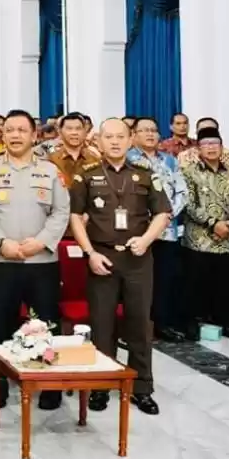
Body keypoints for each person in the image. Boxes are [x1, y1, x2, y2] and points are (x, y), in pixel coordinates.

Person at [69, 118, 171, 416]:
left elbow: (163, 213)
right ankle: (101, 384)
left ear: (131, 140)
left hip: (138, 259)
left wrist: (147, 239)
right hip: (101, 257)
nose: (114, 142)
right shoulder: (85, 176)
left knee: (139, 324)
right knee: (102, 325)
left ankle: (142, 387)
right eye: (108, 137)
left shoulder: (146, 175)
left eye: (120, 137)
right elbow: (75, 216)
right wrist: (89, 253)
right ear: (98, 141)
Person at [0, 110, 70, 410]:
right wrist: (2, 243)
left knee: (44, 324)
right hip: (2, 262)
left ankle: (47, 383)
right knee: (0, 323)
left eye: (21, 130)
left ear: (34, 135)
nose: (15, 135)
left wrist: (41, 242)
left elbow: (61, 212)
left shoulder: (51, 172)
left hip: (42, 263)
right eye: (10, 130)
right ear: (2, 134)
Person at [180, 126, 229, 341]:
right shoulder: (189, 171)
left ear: (221, 147)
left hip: (228, 239)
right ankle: (190, 324)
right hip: (198, 240)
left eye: (215, 144)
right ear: (198, 148)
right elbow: (188, 204)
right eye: (206, 144)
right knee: (194, 285)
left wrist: (228, 223)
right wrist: (213, 223)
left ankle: (226, 323)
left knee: (226, 285)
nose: (211, 148)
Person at [126, 117, 190, 342]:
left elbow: (182, 191)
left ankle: (161, 324)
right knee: (138, 282)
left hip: (168, 230)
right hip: (138, 231)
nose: (150, 135)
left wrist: (167, 214)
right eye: (144, 131)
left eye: (154, 130)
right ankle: (137, 328)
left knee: (164, 280)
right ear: (133, 135)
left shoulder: (170, 160)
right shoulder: (127, 160)